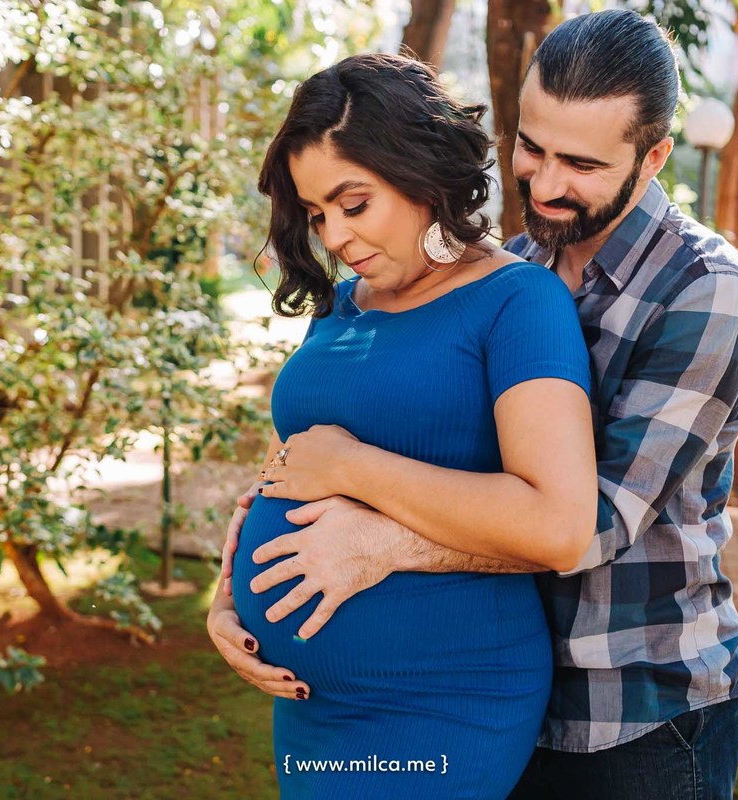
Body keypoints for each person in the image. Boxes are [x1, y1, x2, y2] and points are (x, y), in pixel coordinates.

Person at [210, 10, 738, 800]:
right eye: (530, 148)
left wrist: (380, 538)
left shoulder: (705, 290)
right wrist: (238, 571)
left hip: (638, 699)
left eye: (580, 163)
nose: (543, 182)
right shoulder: (526, 254)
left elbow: (582, 527)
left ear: (654, 158)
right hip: (501, 683)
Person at [219, 52, 597, 799]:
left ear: (421, 173)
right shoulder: (343, 307)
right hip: (310, 706)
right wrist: (227, 596)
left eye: (353, 204)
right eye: (317, 213)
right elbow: (291, 468)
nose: (334, 236)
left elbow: (559, 525)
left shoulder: (518, 304)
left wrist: (354, 468)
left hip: (441, 699)